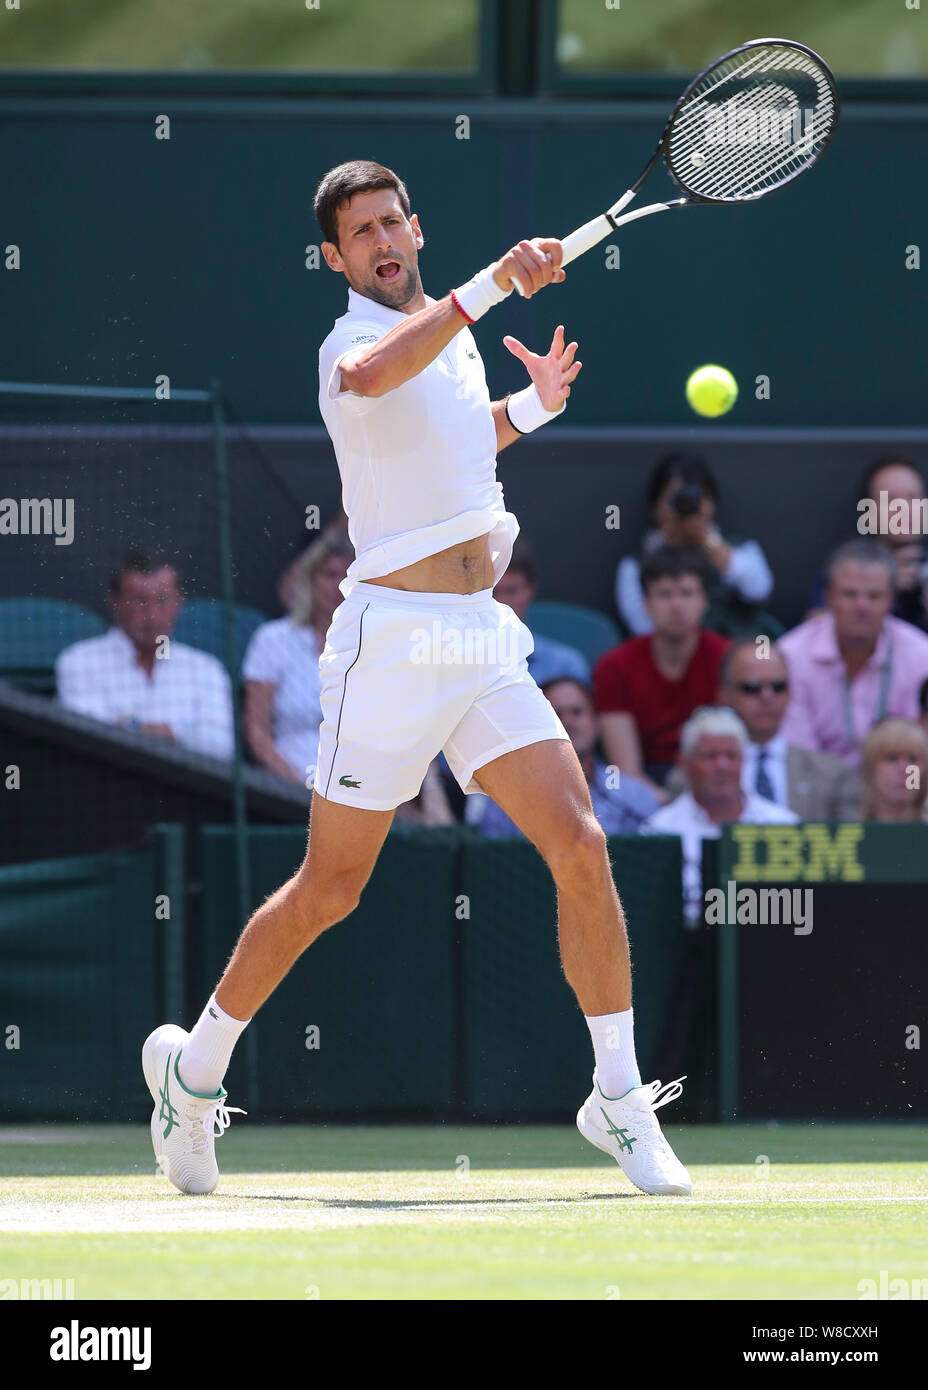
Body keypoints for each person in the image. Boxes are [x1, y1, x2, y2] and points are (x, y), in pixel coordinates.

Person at [142, 159, 691, 1198]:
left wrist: (530, 408)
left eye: (394, 221)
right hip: (389, 643)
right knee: (331, 889)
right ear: (335, 257)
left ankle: (616, 1099)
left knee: (579, 841)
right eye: (363, 232)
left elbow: (454, 445)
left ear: (416, 227)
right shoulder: (352, 345)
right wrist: (489, 281)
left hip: (479, 637)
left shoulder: (450, 336)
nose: (383, 239)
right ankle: (194, 1070)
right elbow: (377, 380)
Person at [56, 550, 234, 761]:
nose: (152, 614)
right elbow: (87, 738)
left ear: (179, 603)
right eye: (139, 601)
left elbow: (220, 746)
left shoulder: (206, 668)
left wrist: (130, 725)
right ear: (115, 603)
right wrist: (177, 734)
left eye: (163, 600)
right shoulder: (78, 661)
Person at [641, 707, 798, 926]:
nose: (722, 766)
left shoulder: (782, 825)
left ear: (744, 761)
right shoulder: (658, 831)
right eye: (710, 756)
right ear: (684, 763)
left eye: (731, 756)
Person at [594, 546, 730, 798]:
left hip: (717, 781)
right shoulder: (613, 667)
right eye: (664, 594)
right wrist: (673, 811)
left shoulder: (728, 660)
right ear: (646, 603)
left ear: (704, 601)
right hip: (646, 794)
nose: (677, 605)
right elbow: (627, 772)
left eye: (687, 593)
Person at [780, 539, 928, 765]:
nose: (862, 606)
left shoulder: (921, 655)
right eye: (850, 594)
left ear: (891, 599)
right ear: (828, 597)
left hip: (900, 789)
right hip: (816, 792)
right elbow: (800, 761)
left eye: (874, 596)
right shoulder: (791, 655)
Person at [477, 678, 660, 837]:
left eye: (577, 712)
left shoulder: (631, 793)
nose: (568, 722)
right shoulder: (507, 801)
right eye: (556, 714)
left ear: (595, 723)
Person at [615, 453, 773, 637]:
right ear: (654, 506)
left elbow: (758, 589)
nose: (685, 507)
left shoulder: (739, 547)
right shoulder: (635, 564)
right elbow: (642, 629)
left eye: (696, 499)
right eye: (676, 499)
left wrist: (705, 540)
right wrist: (668, 547)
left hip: (733, 653)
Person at [242, 534, 352, 785]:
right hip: (290, 786)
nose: (339, 586)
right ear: (311, 581)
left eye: (347, 577)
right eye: (330, 575)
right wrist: (295, 786)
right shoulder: (274, 639)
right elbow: (257, 733)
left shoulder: (373, 648)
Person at [717, 639, 859, 820]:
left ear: (790, 693)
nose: (767, 697)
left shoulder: (834, 775)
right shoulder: (698, 772)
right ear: (724, 695)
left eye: (778, 687)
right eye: (752, 688)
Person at [807, 456, 928, 630]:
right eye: (891, 500)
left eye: (913, 498)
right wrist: (879, 588)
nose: (904, 509)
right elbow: (812, 635)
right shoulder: (846, 570)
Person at [493, 538, 591, 687]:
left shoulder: (565, 666)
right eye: (491, 593)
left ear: (531, 590)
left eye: (511, 591)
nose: (501, 602)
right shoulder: (455, 662)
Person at [858, 718, 928, 822]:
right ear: (870, 767)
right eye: (892, 758)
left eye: (913, 759)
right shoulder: (849, 833)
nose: (904, 769)